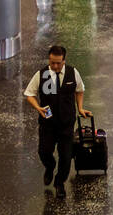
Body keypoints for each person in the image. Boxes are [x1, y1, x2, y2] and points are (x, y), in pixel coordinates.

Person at [23, 45, 92, 199]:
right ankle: (49, 166)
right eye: (52, 62)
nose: (54, 66)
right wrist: (38, 107)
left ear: (64, 61)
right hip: (47, 124)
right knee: (44, 152)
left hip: (66, 124)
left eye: (58, 63)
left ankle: (59, 183)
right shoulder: (42, 74)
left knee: (66, 157)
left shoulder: (72, 73)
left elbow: (79, 90)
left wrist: (80, 108)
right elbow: (29, 94)